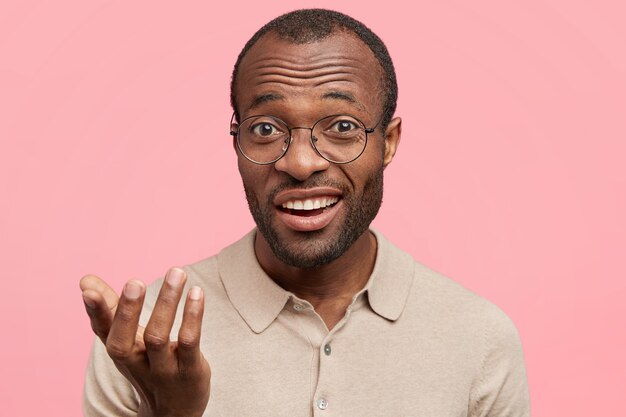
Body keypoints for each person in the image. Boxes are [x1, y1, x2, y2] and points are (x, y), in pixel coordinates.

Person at [80, 9, 530, 417]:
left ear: (388, 142)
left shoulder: (479, 338)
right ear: (236, 141)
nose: (299, 163)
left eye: (342, 127)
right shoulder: (145, 341)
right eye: (266, 128)